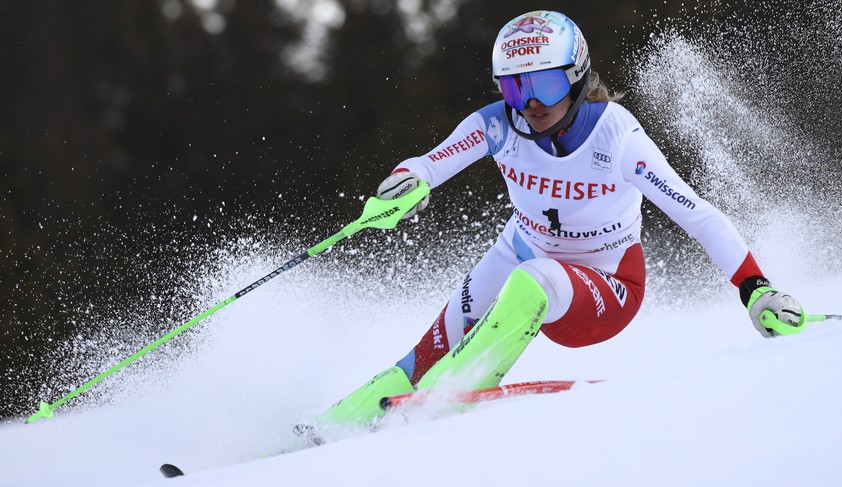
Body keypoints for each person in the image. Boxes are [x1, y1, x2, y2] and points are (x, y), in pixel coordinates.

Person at [300, 9, 806, 440]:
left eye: (544, 83)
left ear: (577, 77)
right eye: (514, 86)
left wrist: (756, 289)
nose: (531, 103)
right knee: (427, 352)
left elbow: (696, 214)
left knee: (534, 279)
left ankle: (449, 395)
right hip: (522, 251)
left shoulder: (618, 138)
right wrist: (406, 181)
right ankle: (331, 428)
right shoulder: (498, 123)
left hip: (609, 285)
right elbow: (430, 164)